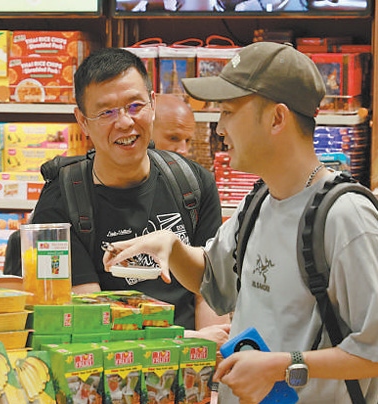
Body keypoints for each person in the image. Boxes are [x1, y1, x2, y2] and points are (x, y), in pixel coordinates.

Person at [103, 42, 378, 403]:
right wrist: (171, 247)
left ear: (277, 119)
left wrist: (283, 366)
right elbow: (213, 279)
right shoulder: (259, 202)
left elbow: (372, 351)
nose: (220, 128)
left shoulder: (346, 217)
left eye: (229, 111)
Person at [28, 47, 230, 347]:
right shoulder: (61, 201)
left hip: (192, 365)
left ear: (153, 104)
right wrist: (187, 339)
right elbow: (88, 321)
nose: (124, 122)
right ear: (82, 121)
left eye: (135, 106)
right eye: (106, 112)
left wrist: (206, 350)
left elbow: (210, 292)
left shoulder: (192, 183)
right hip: (111, 365)